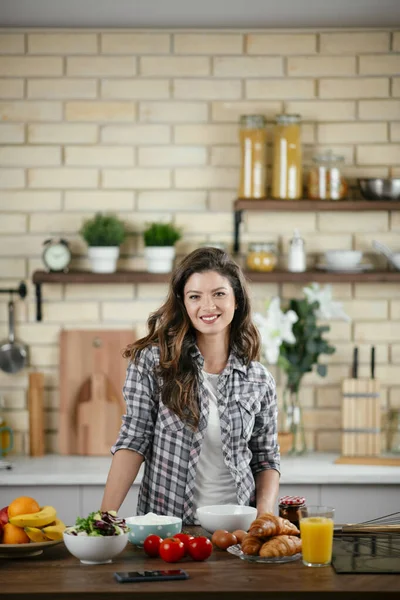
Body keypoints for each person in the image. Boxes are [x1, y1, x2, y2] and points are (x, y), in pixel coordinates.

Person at [101, 247, 280, 524]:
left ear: (236, 300)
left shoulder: (258, 379)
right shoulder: (154, 364)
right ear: (184, 303)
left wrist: (265, 517)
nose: (208, 307)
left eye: (219, 294)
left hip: (237, 529)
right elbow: (134, 440)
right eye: (195, 296)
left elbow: (266, 460)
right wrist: (104, 518)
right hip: (167, 528)